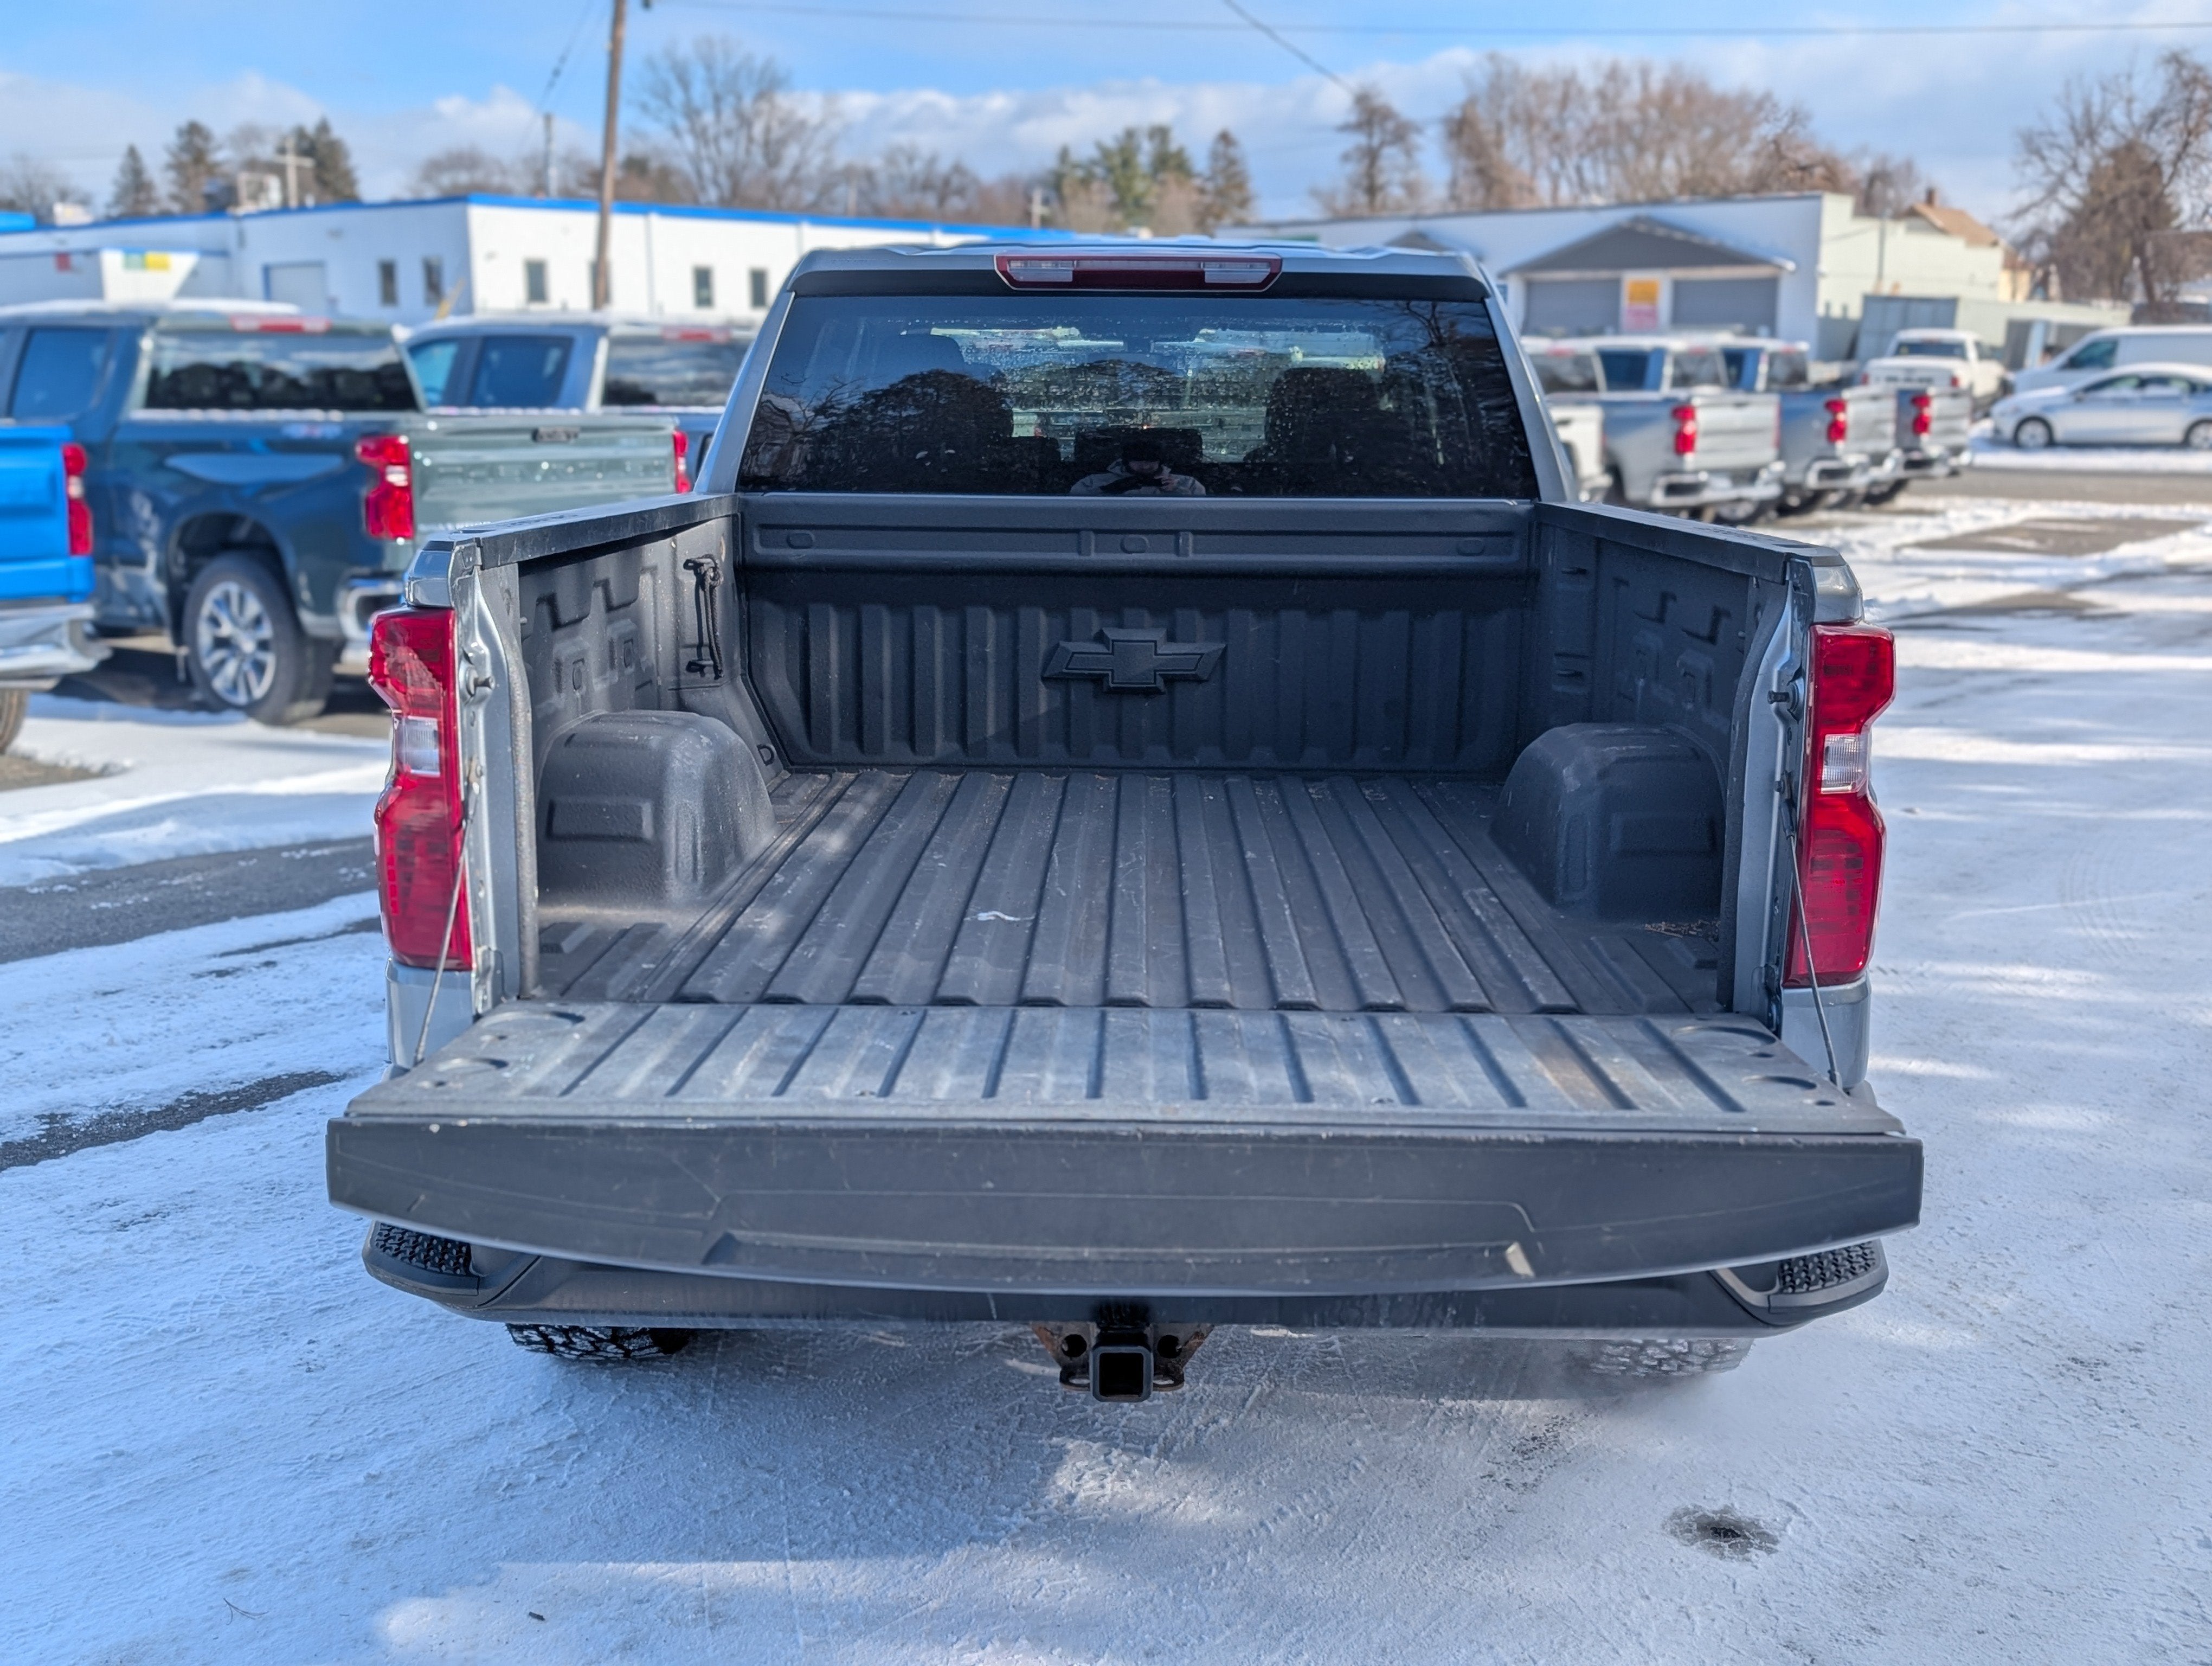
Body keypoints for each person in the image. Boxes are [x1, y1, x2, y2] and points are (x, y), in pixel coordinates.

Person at [1070, 434, 1205, 496]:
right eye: (1139, 461)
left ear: (1160, 462)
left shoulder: (1188, 484)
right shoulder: (1093, 482)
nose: (1145, 467)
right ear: (1126, 461)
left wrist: (1177, 491)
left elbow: (1201, 512)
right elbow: (1073, 506)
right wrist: (1109, 490)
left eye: (1151, 461)